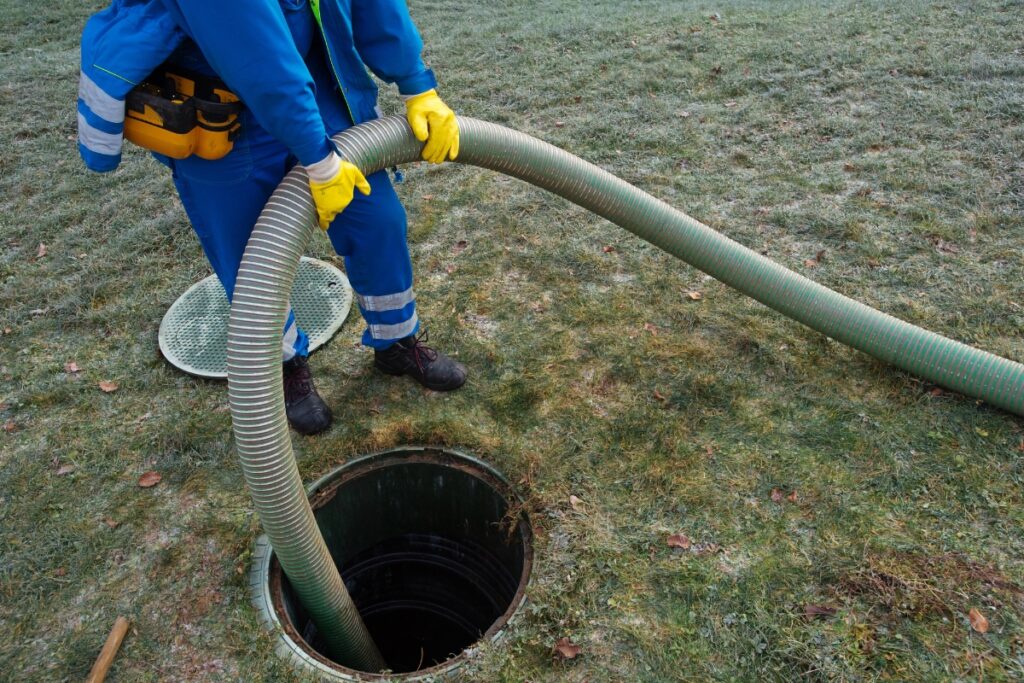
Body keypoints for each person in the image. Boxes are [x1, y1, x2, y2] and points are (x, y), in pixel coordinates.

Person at [77, 0, 467, 436]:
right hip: (217, 102)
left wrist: (416, 84)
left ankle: (396, 341)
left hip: (313, 84)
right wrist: (318, 160)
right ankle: (287, 366)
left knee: (377, 219)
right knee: (250, 258)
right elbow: (253, 49)